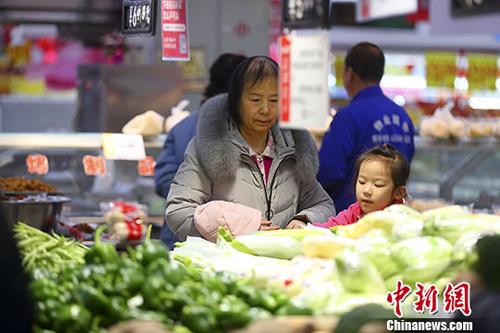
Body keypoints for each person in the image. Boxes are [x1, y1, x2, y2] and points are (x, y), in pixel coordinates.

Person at [165, 56, 334, 240]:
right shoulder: (207, 149)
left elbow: (323, 205)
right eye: (255, 100)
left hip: (281, 265)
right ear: (236, 102)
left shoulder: (293, 149)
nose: (265, 109)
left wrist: (304, 220)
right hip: (227, 265)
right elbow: (178, 211)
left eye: (274, 100)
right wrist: (240, 228)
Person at [154, 53, 247, 248]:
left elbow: (163, 181)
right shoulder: (248, 129)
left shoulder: (182, 127)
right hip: (223, 238)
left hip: (181, 238)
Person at [318, 42, 415, 212]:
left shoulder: (348, 116)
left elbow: (329, 170)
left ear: (349, 74)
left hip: (350, 215)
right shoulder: (402, 115)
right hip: (393, 213)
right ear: (381, 73)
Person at [312, 144, 409, 229]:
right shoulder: (355, 212)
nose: (367, 191)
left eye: (378, 185)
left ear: (398, 193)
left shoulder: (400, 222)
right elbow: (328, 228)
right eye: (362, 182)